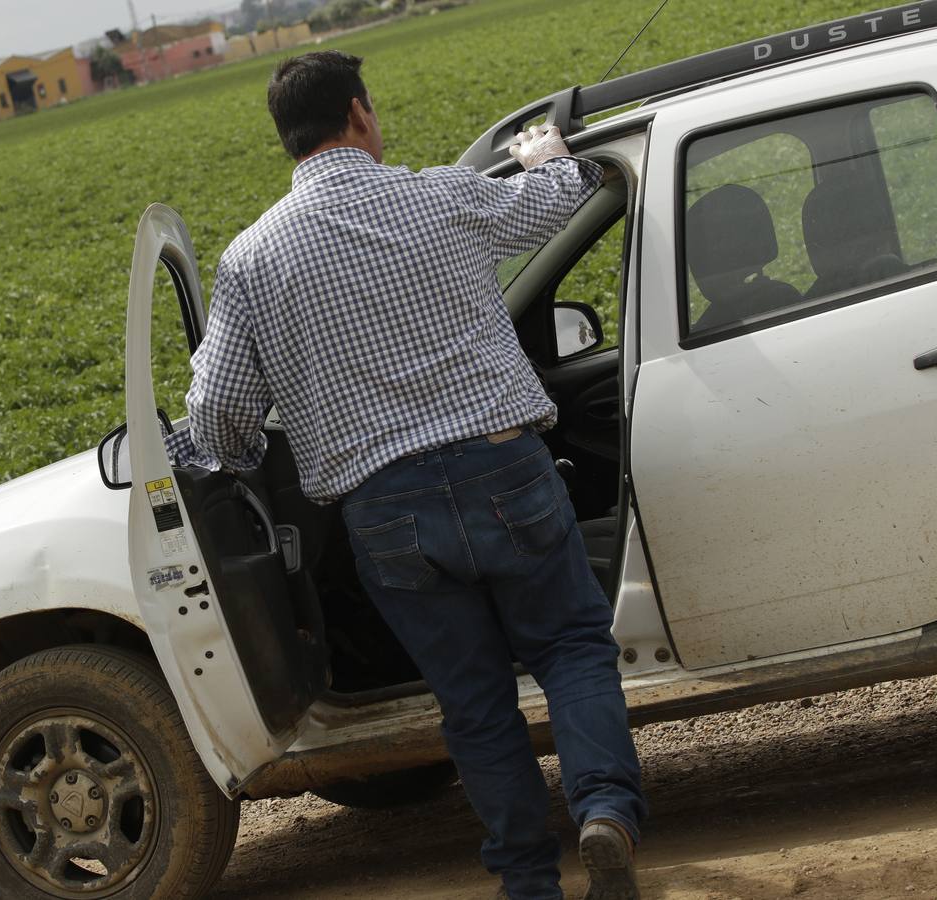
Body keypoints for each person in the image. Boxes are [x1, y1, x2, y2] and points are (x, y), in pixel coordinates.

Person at [168, 50, 646, 900]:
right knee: (572, 649)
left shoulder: (251, 259)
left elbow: (217, 423)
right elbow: (550, 202)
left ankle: (529, 883)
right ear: (358, 115)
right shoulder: (439, 194)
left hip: (385, 513)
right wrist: (548, 152)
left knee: (474, 702)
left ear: (290, 138)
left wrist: (222, 464)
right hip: (506, 467)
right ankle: (605, 811)